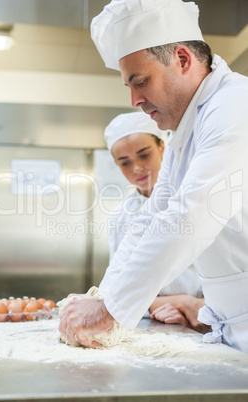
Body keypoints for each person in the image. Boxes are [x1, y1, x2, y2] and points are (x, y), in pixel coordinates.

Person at [59, 0, 248, 353]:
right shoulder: (184, 134)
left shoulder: (235, 107)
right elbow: (152, 219)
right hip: (231, 326)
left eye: (140, 81)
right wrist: (103, 297)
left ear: (182, 59)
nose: (135, 100)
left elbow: (190, 215)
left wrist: (109, 312)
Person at [102, 111, 207, 332]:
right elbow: (120, 282)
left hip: (210, 314)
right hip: (156, 318)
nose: (137, 168)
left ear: (162, 147)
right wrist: (168, 304)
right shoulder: (121, 216)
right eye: (125, 163)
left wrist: (199, 305)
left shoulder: (196, 198)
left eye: (144, 155)